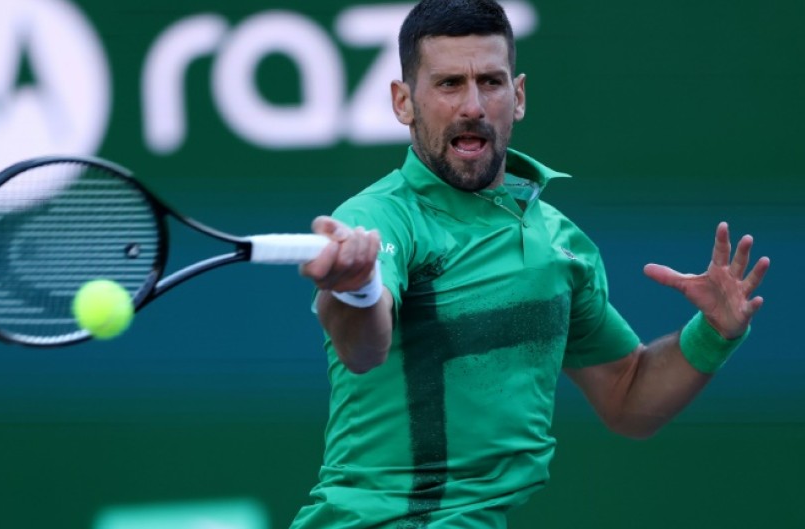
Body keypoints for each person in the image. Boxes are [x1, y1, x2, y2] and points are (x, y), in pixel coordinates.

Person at [293, 1, 771, 527]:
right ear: (403, 102)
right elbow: (364, 348)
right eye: (449, 83)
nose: (472, 105)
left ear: (517, 96)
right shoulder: (378, 218)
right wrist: (355, 290)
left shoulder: (560, 243)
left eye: (491, 83)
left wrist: (713, 334)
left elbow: (628, 397)